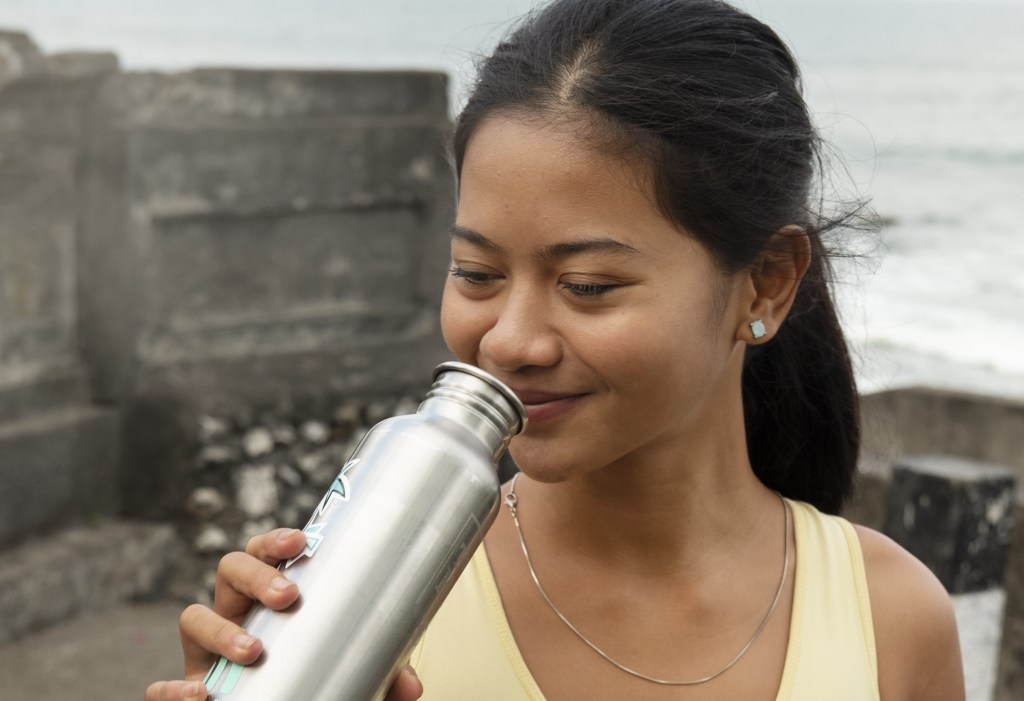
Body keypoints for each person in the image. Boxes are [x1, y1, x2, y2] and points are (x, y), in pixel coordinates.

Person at [146, 0, 964, 699]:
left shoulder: (892, 624)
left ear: (767, 283)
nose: (508, 338)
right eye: (475, 271)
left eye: (589, 285)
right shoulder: (357, 609)